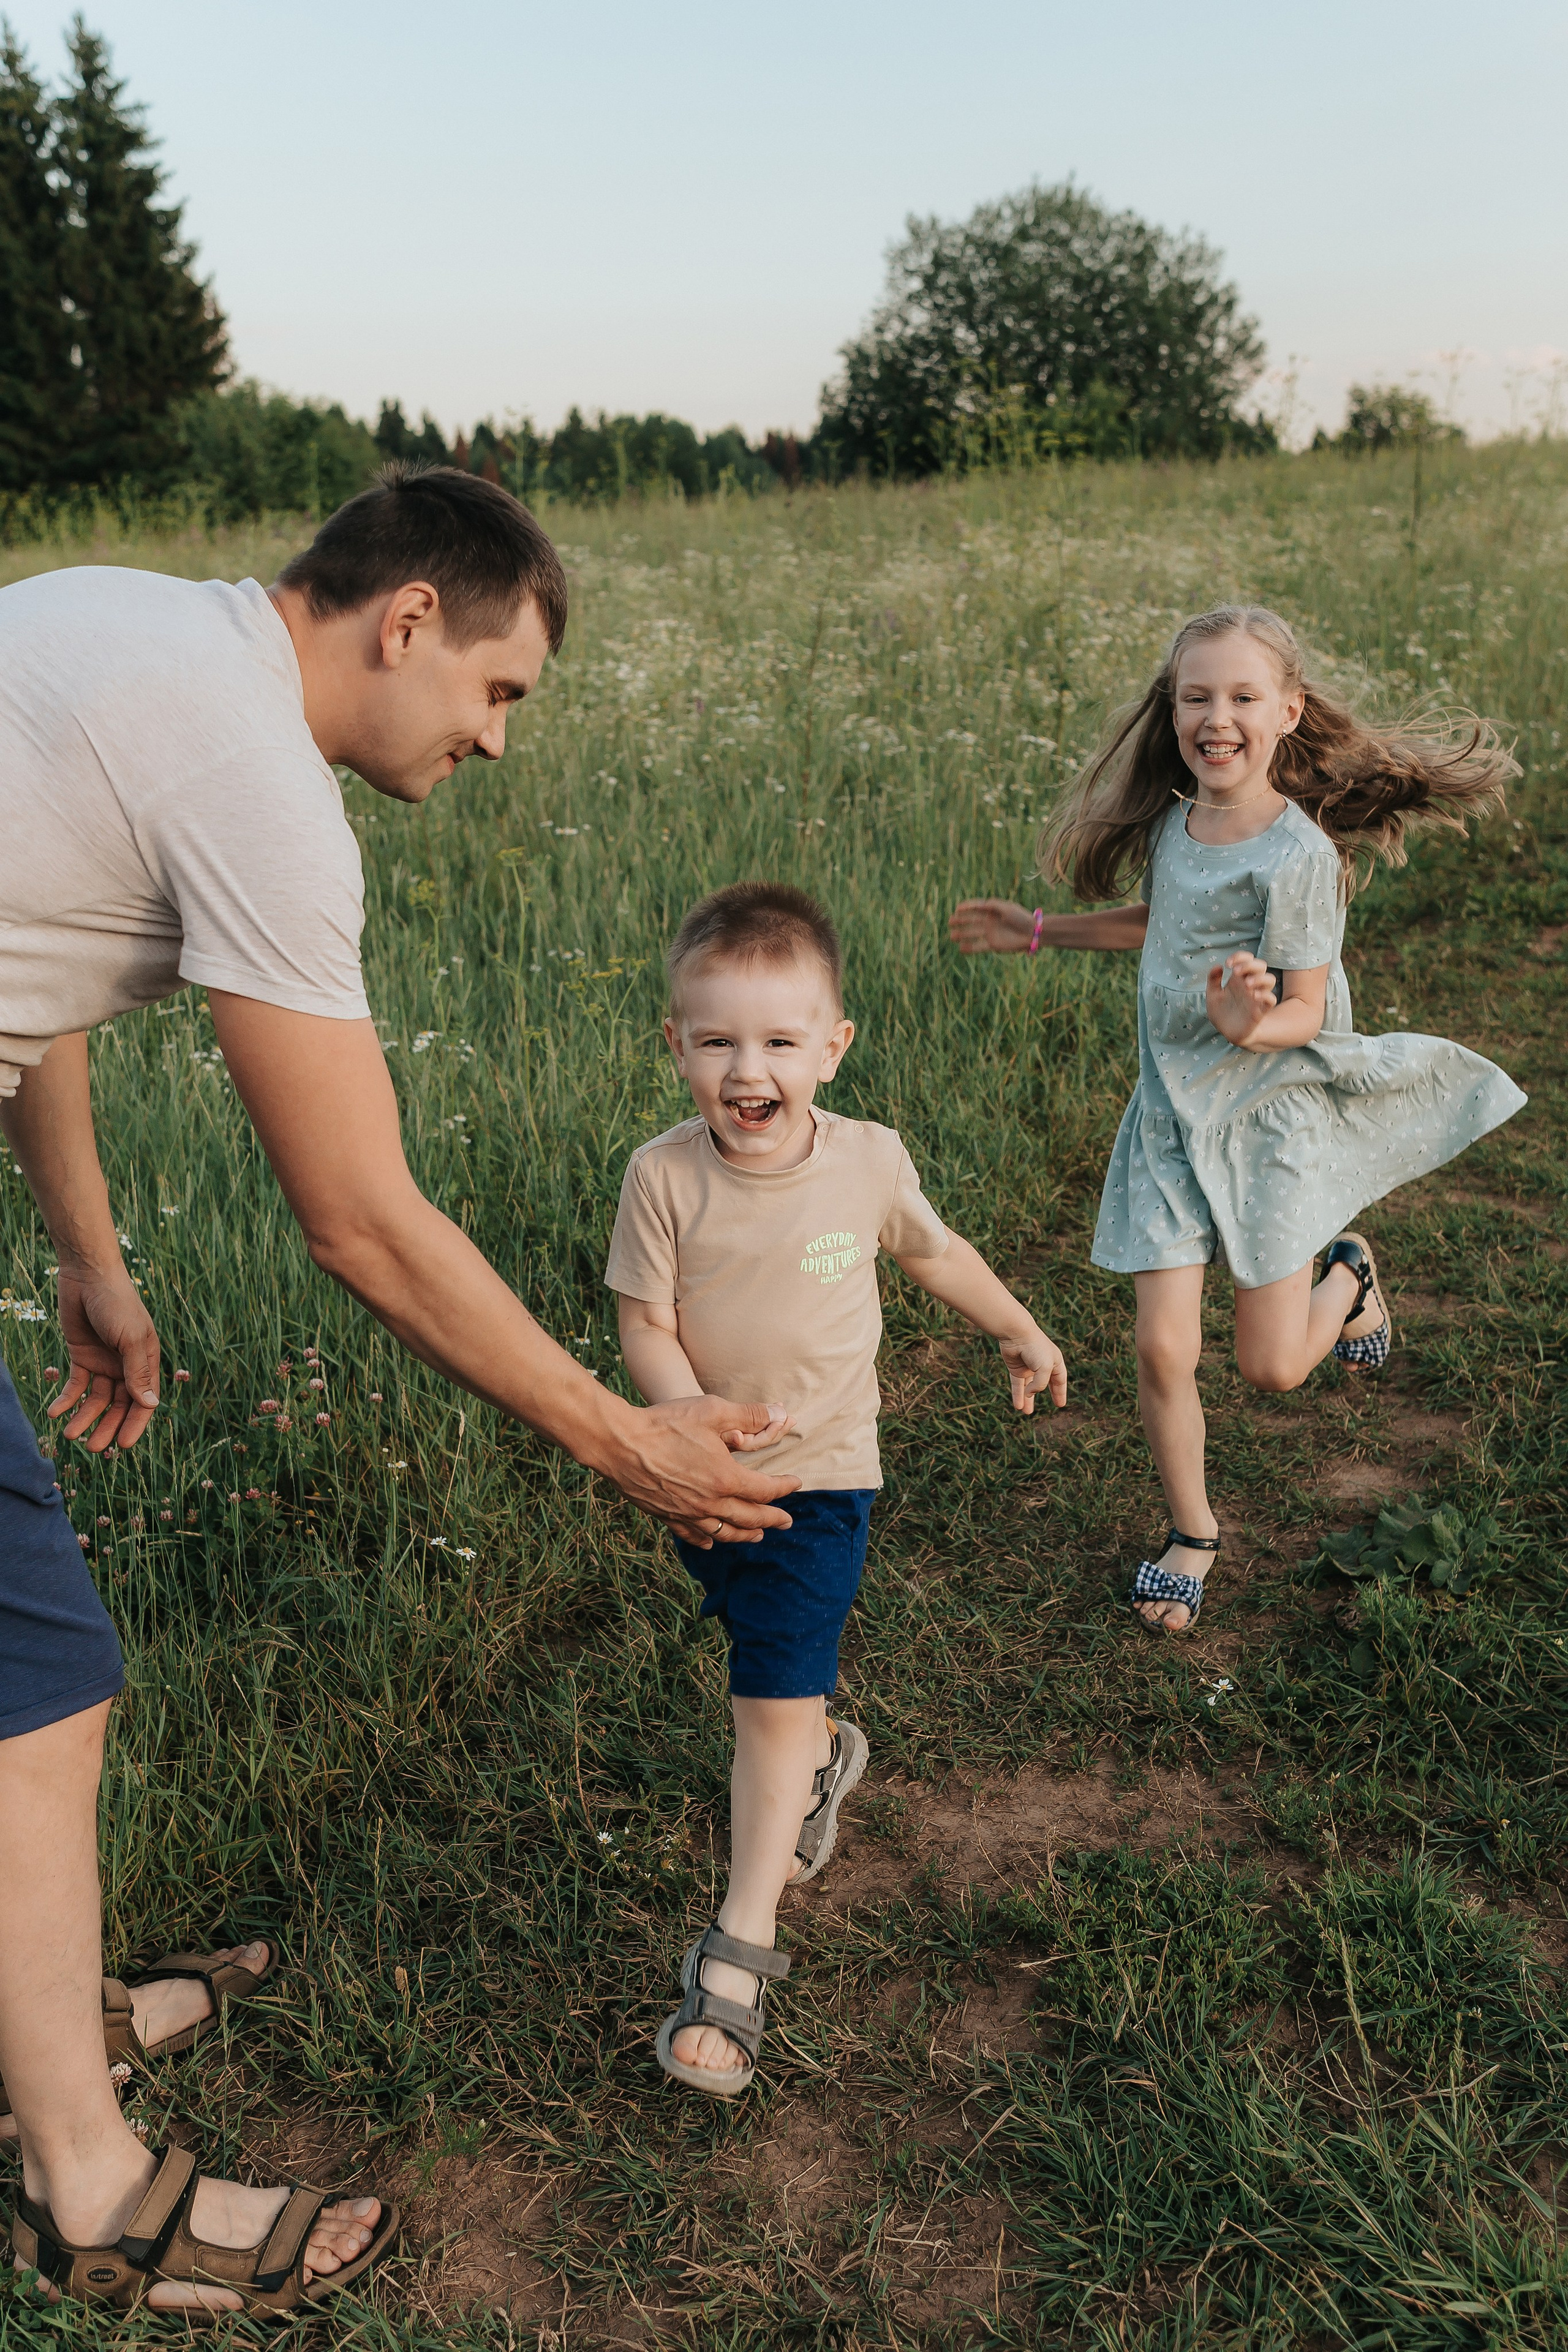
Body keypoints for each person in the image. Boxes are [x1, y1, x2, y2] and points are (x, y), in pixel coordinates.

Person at [0, 467, 797, 2314]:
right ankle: (90, 2187)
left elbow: (18, 975)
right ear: (410, 618)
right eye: (500, 692)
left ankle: (46, 2006)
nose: (500, 743)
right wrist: (630, 1444)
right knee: (39, 1683)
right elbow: (360, 1220)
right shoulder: (261, 783)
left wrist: (90, 1256)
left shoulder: (132, 625)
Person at [950, 603, 1525, 1635]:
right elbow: (1162, 923)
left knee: (1270, 1366)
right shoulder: (1178, 823)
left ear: (1288, 712)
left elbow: (1303, 1005)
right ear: (1172, 712)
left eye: (1243, 697)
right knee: (1162, 1349)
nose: (1217, 718)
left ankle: (1346, 1270)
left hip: (1265, 1119)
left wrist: (1246, 1025)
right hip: (1173, 1115)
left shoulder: (1297, 856)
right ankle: (1193, 1532)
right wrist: (1039, 929)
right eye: (1195, 697)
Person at [604, 882, 1068, 2095]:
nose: (744, 1069)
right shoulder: (660, 1179)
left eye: (775, 1041)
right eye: (715, 1042)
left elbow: (931, 1250)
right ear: (676, 1047)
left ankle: (740, 1945)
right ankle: (816, 1758)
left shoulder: (865, 1160)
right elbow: (643, 1323)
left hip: (822, 1483)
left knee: (768, 1685)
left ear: (829, 1047)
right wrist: (676, 1418)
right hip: (704, 1478)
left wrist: (1014, 1325)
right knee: (756, 1650)